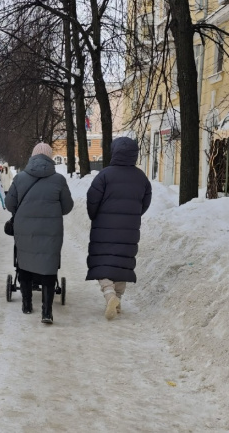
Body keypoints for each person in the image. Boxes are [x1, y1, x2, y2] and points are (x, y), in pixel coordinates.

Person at [6, 143, 74, 323]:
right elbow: (67, 207)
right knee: (49, 267)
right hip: (51, 231)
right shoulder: (59, 180)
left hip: (25, 230)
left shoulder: (20, 178)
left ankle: (27, 305)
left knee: (25, 263)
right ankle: (46, 312)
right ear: (50, 158)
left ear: (32, 157)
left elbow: (9, 204)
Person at [86, 137, 152, 320]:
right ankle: (118, 300)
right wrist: (132, 216)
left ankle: (109, 294)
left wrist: (95, 216)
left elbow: (92, 200)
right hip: (129, 229)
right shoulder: (141, 177)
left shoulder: (104, 175)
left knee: (102, 263)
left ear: (114, 152)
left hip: (104, 227)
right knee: (122, 264)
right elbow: (145, 203)